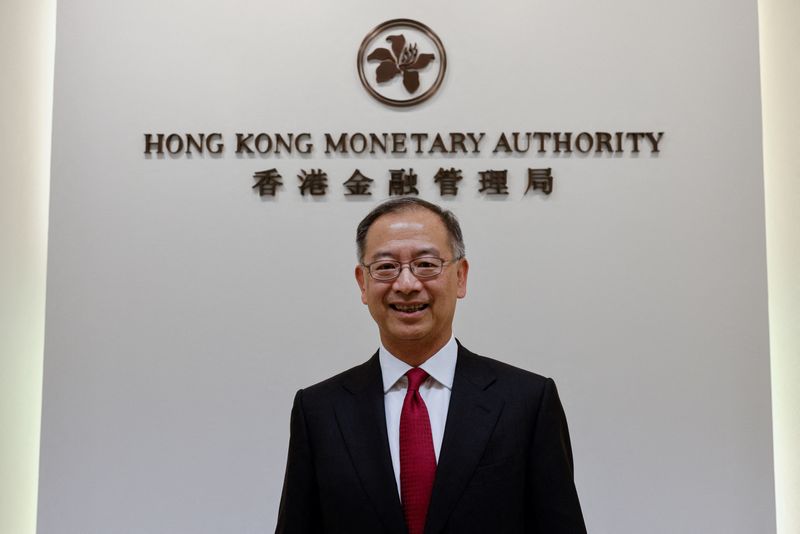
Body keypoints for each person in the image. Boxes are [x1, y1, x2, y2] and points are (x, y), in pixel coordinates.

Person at [276, 198, 586, 534]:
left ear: (461, 276)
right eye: (385, 267)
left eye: (426, 264)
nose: (406, 284)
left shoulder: (527, 402)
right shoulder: (319, 410)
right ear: (362, 283)